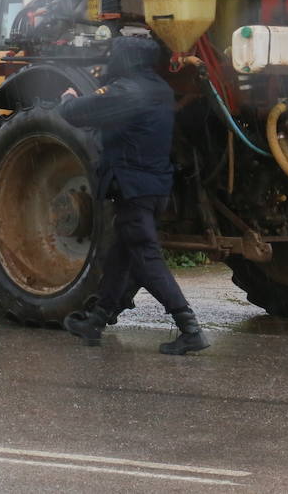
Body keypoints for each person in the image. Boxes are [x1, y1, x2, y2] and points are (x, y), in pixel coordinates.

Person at [57, 36, 210, 355]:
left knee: (145, 257)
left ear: (125, 59)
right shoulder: (158, 89)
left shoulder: (127, 91)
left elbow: (77, 113)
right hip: (154, 188)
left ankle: (189, 327)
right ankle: (95, 321)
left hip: (133, 186)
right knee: (122, 254)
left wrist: (67, 98)